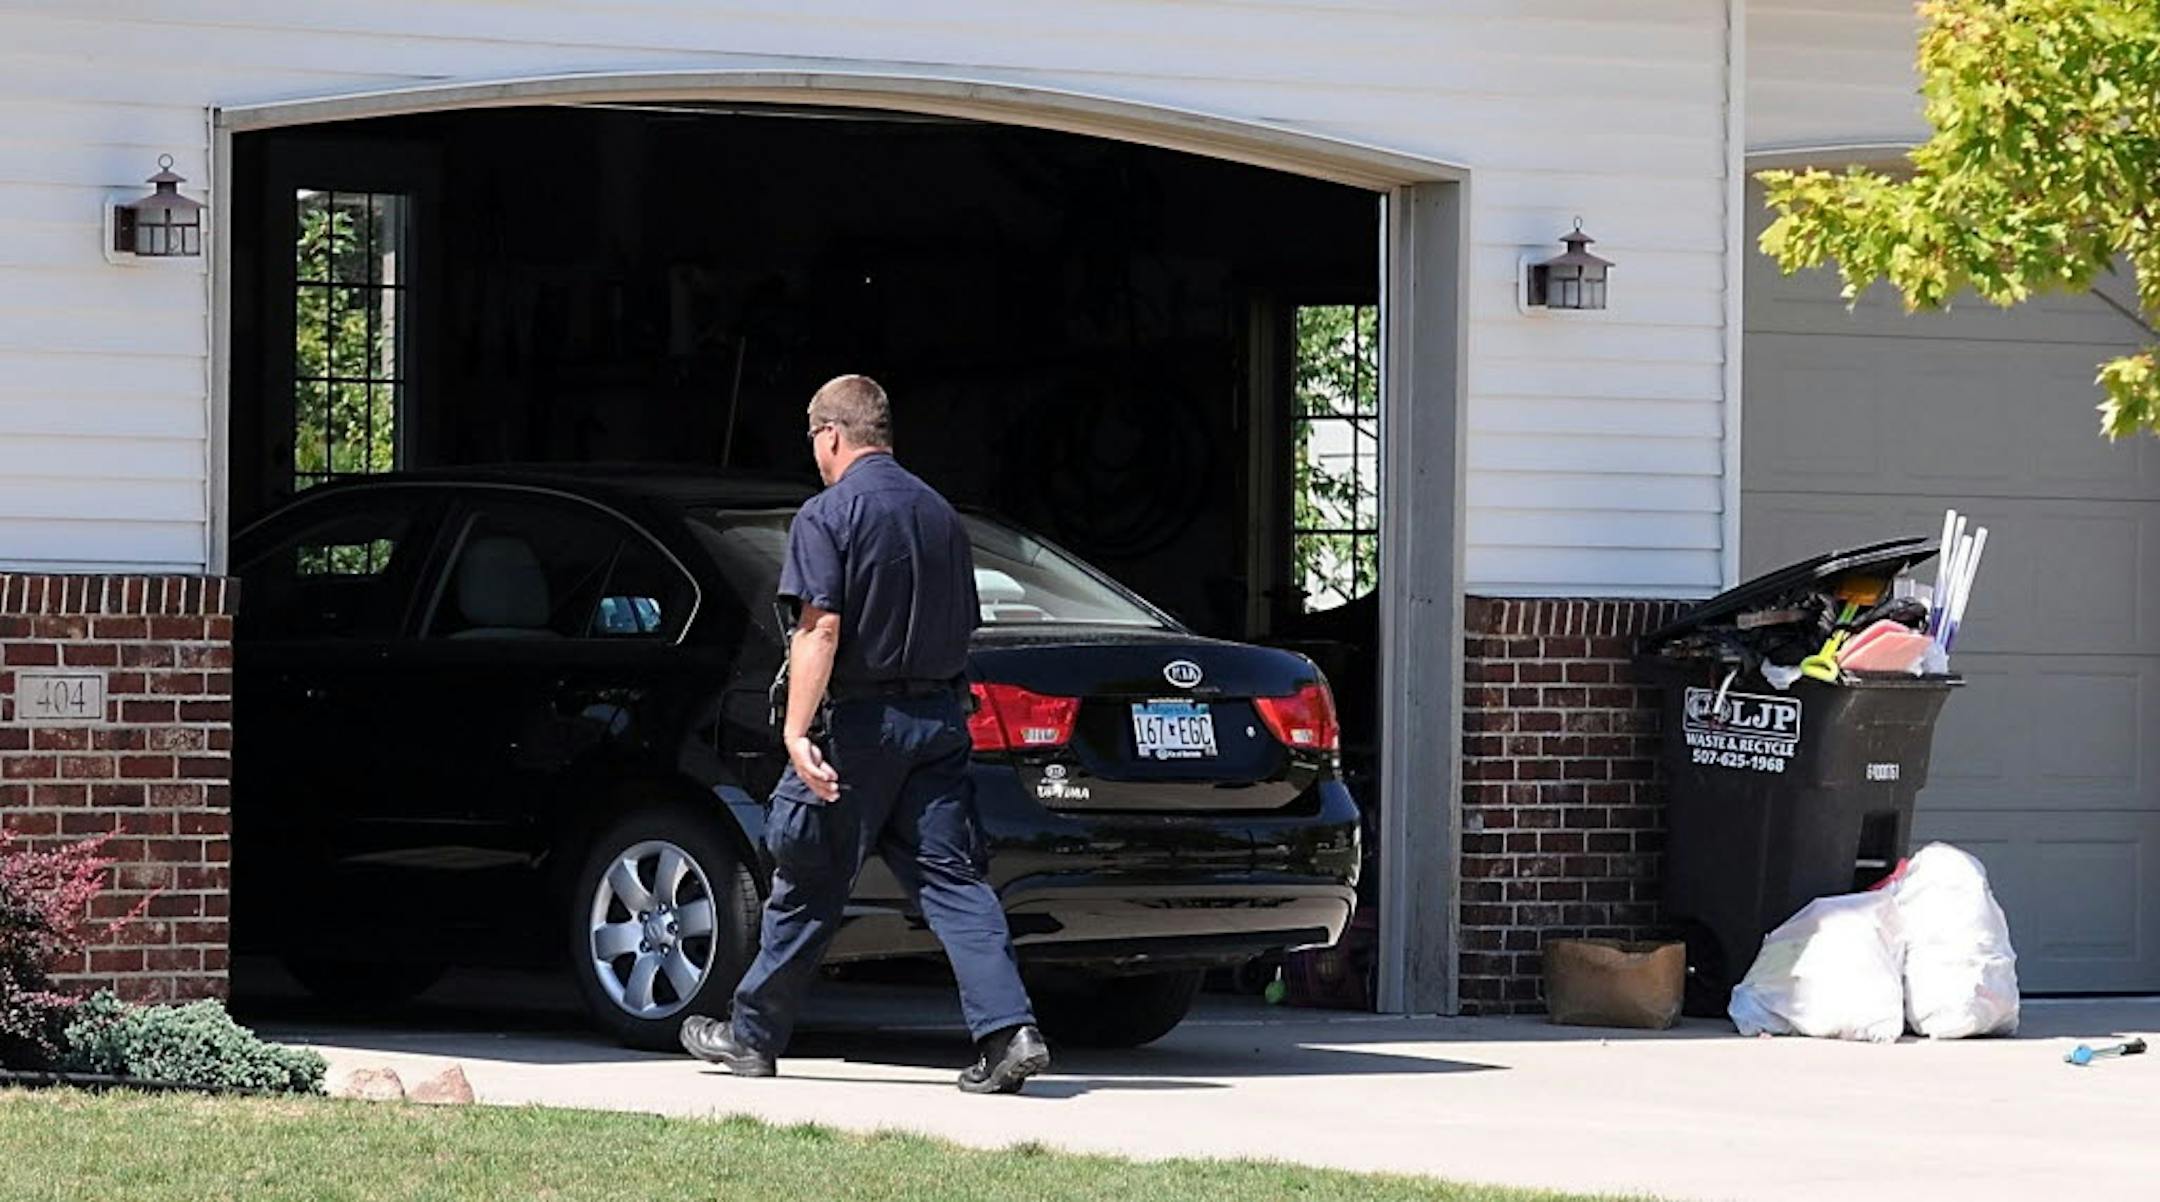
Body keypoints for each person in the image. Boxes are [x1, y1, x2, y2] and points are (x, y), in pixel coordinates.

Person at [680, 374, 1051, 1095]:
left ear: (830, 435)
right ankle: (1011, 1033)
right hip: (939, 722)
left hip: (858, 729)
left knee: (808, 882)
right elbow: (968, 623)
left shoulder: (828, 515)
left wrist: (794, 733)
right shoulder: (943, 516)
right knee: (955, 883)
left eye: (813, 440)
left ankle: (751, 1038)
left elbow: (820, 628)